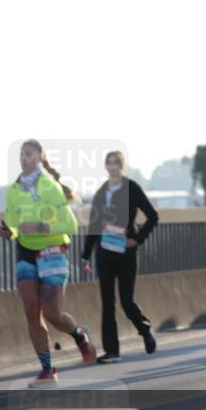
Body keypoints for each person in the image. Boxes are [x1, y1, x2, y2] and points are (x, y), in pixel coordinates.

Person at [0, 139, 97, 386]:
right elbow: (12, 222)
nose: (23, 158)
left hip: (53, 251)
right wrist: (8, 231)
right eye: (21, 154)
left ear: (39, 158)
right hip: (25, 252)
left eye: (28, 154)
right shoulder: (14, 190)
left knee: (52, 314)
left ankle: (79, 335)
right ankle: (47, 370)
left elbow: (71, 225)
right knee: (31, 311)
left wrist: (40, 226)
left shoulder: (50, 187)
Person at [80, 150, 159, 362]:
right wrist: (85, 256)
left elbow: (153, 216)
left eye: (116, 163)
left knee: (126, 301)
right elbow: (94, 225)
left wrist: (138, 239)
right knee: (107, 302)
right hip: (104, 253)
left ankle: (145, 330)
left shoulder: (132, 188)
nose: (112, 167)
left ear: (122, 166)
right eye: (109, 163)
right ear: (106, 166)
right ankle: (112, 351)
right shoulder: (101, 192)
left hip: (126, 253)